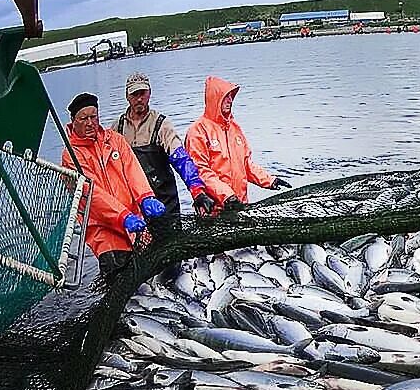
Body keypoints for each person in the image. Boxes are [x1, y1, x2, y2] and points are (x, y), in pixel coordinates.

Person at [60, 93, 165, 276]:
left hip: (135, 221)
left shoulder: (115, 139)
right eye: (83, 118)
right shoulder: (70, 156)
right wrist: (122, 216)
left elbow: (134, 172)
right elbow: (92, 195)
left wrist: (146, 197)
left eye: (94, 116)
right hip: (104, 231)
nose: (90, 123)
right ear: (73, 121)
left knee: (153, 275)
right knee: (119, 279)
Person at [112, 73, 216, 217]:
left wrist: (196, 190)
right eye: (135, 94)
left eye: (143, 93)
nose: (139, 99)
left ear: (150, 93)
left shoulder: (161, 124)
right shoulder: (117, 128)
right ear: (127, 96)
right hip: (134, 203)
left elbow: (181, 159)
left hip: (165, 200)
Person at [185, 76, 291, 212]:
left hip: (240, 205)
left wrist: (270, 180)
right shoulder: (198, 131)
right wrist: (227, 196)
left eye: (231, 96)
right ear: (214, 98)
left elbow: (246, 165)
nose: (230, 100)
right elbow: (201, 172)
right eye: (225, 97)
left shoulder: (235, 128)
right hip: (214, 210)